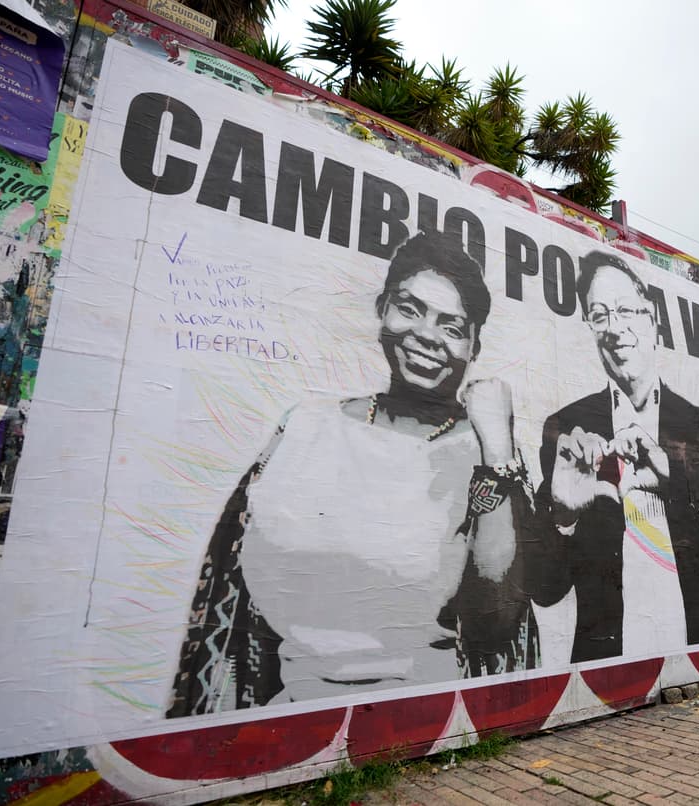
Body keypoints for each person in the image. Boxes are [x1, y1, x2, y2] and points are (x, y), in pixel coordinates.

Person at [167, 229, 538, 716]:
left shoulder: (487, 455)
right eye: (409, 308)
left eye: (451, 327)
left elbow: (498, 621)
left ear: (474, 347)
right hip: (283, 726)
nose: (426, 335)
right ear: (382, 308)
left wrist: (497, 448)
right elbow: (228, 600)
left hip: (427, 724)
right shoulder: (304, 425)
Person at [532, 250, 699, 663]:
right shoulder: (568, 429)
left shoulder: (696, 423)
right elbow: (544, 587)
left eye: (626, 310)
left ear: (651, 319)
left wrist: (674, 473)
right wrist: (563, 514)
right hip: (607, 672)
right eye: (599, 314)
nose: (614, 328)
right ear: (589, 328)